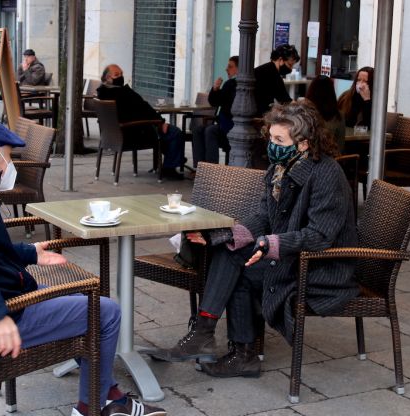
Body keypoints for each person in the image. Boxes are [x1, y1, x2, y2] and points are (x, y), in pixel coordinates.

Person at [0, 117, 166, 416]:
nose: (10, 166)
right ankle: (92, 407)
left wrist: (28, 253)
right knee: (106, 312)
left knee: (80, 302)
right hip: (2, 313)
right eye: (9, 156)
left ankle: (109, 393)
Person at [149, 101, 358, 378]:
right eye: (271, 137)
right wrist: (230, 235)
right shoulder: (279, 169)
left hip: (323, 267)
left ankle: (228, 347)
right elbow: (263, 215)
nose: (271, 145)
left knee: (239, 267)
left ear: (304, 144)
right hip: (294, 255)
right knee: (228, 250)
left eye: (279, 140)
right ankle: (215, 340)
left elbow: (320, 236)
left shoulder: (326, 174)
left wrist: (270, 244)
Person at [97, 64, 186, 180]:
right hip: (135, 133)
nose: (121, 77)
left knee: (167, 135)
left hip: (115, 135)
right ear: (108, 78)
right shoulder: (122, 93)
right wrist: (159, 122)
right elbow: (143, 108)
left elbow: (140, 108)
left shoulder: (102, 93)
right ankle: (170, 167)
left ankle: (171, 161)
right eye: (117, 75)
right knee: (175, 133)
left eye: (122, 74)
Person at [191, 56, 238, 167]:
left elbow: (223, 103)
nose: (226, 69)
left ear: (239, 69)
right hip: (224, 124)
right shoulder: (229, 84)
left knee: (210, 131)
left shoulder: (235, 84)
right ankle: (200, 167)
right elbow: (214, 102)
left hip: (231, 127)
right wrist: (215, 89)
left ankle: (212, 168)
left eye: (230, 67)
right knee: (198, 130)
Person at [254, 44, 300, 116]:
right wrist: (302, 108)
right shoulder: (273, 73)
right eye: (290, 65)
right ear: (281, 60)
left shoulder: (267, 68)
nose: (291, 69)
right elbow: (285, 100)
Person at [305, 75, 345, 152]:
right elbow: (341, 146)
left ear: (311, 91)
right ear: (332, 93)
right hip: (332, 159)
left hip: (307, 158)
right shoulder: (338, 115)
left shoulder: (304, 113)